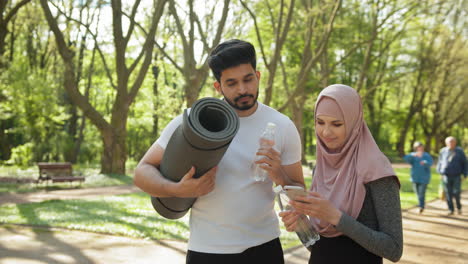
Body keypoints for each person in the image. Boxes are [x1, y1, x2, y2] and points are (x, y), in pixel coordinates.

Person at [134, 39, 304, 264]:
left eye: (248, 79)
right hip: (207, 251)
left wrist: (280, 178)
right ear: (218, 86)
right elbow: (141, 172)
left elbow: (299, 190)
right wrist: (177, 189)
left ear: (258, 76)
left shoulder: (282, 125)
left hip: (265, 249)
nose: (242, 89)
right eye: (231, 83)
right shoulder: (193, 122)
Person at [280, 84, 403, 263]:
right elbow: (318, 246)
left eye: (337, 124)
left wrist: (335, 217)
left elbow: (394, 249)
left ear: (354, 122)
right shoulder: (321, 167)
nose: (326, 132)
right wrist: (301, 224)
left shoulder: (377, 171)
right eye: (320, 122)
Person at [436, 136, 467, 215]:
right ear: (446, 143)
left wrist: (465, 173)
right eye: (449, 142)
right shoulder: (443, 151)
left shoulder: (459, 151)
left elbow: (465, 163)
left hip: (457, 175)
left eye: (452, 142)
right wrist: (439, 171)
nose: (451, 143)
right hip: (446, 175)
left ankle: (459, 207)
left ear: (455, 143)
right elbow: (440, 161)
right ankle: (451, 209)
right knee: (448, 193)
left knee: (456, 192)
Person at [403, 142, 433, 214]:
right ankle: (421, 204)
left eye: (421, 147)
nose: (420, 148)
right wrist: (412, 155)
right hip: (414, 177)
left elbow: (430, 163)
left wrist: (425, 162)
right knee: (417, 193)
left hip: (424, 178)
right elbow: (406, 159)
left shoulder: (426, 155)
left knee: (421, 193)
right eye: (418, 147)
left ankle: (421, 206)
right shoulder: (413, 155)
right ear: (416, 148)